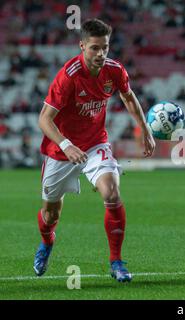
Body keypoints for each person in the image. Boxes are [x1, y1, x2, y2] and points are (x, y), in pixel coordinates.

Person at [33, 19, 156, 282]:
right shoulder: (68, 76)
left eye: (105, 47)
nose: (101, 54)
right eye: (94, 48)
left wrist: (144, 128)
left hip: (95, 144)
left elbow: (129, 96)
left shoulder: (114, 70)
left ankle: (116, 262)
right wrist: (66, 145)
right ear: (82, 46)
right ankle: (47, 241)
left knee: (112, 193)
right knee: (50, 214)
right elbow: (44, 119)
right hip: (61, 150)